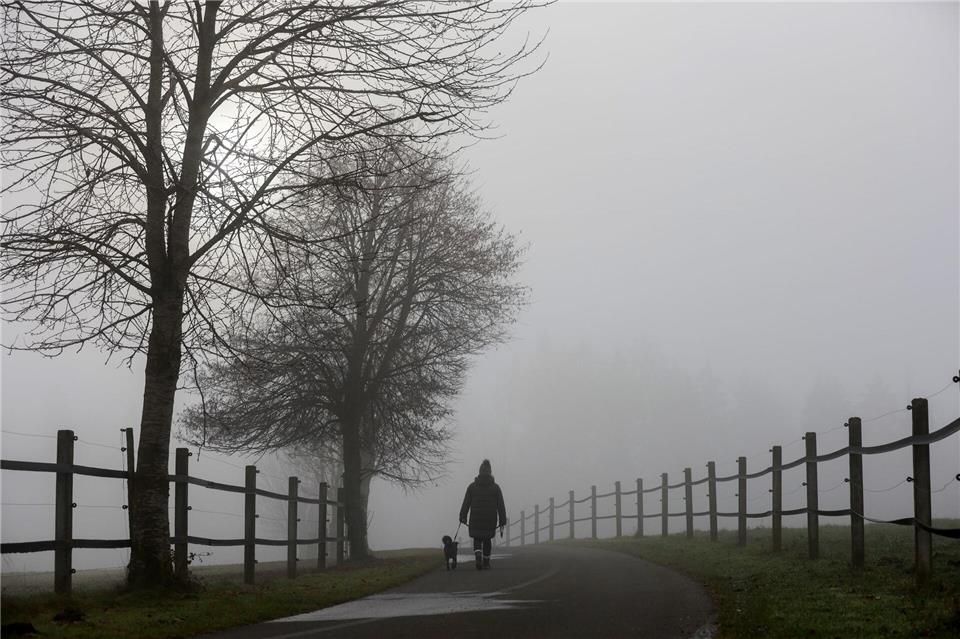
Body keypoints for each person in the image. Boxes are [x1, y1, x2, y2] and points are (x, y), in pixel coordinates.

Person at [459, 459, 506, 570]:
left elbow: (466, 503)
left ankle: (478, 555)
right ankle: (486, 562)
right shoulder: (496, 488)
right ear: (490, 472)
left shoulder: (472, 487)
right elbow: (501, 506)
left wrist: (463, 516)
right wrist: (502, 520)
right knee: (487, 539)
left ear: (479, 472)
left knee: (477, 538)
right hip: (490, 519)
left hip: (475, 518)